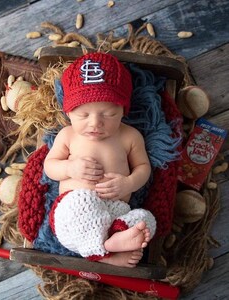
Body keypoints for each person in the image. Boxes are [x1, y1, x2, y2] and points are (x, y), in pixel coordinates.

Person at [44, 52, 156, 267]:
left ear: (123, 110)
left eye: (108, 114)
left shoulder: (130, 136)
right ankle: (107, 251)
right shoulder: (68, 135)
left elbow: (143, 167)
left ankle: (114, 243)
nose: (95, 123)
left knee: (145, 220)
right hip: (75, 210)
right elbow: (50, 166)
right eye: (83, 115)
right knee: (79, 204)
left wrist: (129, 183)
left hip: (116, 211)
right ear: (68, 112)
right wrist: (70, 168)